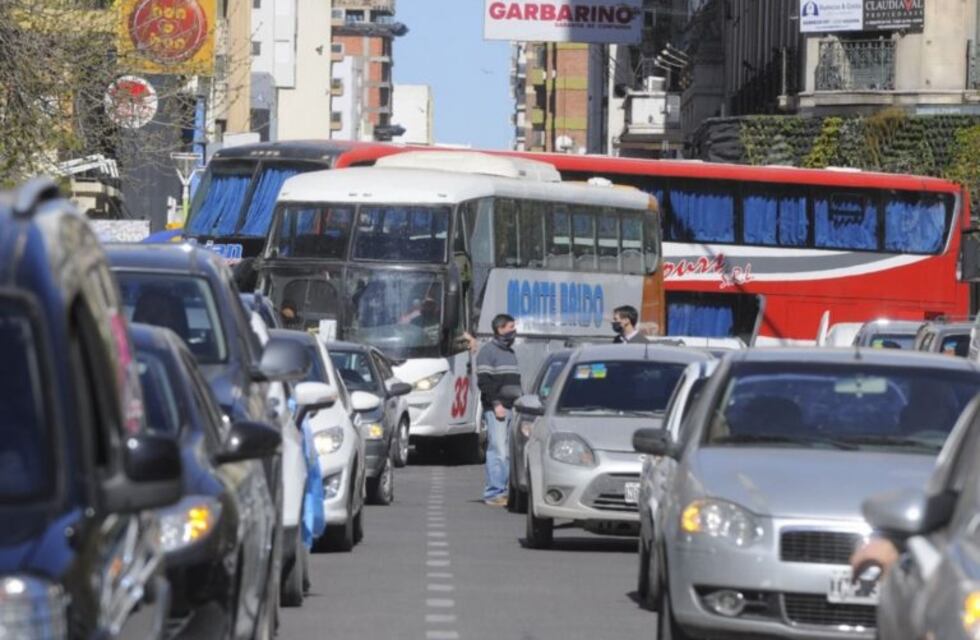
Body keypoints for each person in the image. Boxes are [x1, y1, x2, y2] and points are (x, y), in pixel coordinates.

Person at [476, 314, 521, 507]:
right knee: (498, 451)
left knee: (508, 453)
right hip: (498, 408)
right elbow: (484, 382)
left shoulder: (510, 352)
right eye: (511, 327)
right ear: (500, 329)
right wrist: (496, 404)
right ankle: (494, 493)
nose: (514, 331)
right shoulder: (488, 352)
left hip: (512, 407)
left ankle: (504, 491)